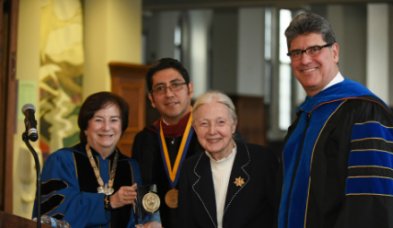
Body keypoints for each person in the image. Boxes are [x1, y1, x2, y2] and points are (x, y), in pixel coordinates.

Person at [277, 11, 393, 228]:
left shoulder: (366, 113)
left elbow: (374, 203)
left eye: (314, 49)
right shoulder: (304, 118)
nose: (305, 59)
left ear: (335, 52)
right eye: (296, 52)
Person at [33, 91, 160, 227]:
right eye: (98, 120)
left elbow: (137, 217)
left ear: (122, 127)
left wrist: (149, 223)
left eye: (114, 120)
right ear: (86, 127)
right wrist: (108, 201)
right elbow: (55, 214)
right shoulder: (62, 160)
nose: (106, 127)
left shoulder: (131, 166)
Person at [178, 90, 279, 228]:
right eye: (204, 124)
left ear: (233, 125)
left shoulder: (263, 161)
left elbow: (279, 216)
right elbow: (185, 223)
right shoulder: (190, 168)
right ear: (195, 128)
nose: (212, 131)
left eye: (220, 122)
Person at [131, 58, 202, 228]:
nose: (169, 94)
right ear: (152, 98)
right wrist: (150, 220)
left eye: (176, 85)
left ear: (190, 89)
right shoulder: (145, 139)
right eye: (160, 88)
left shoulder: (209, 134)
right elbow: (142, 186)